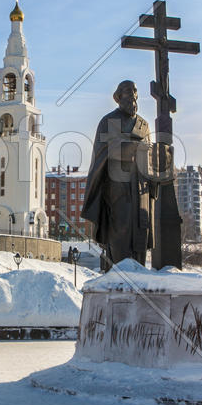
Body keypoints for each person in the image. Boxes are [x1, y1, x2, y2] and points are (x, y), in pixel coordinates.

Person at [81, 80, 159, 272]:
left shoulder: (143, 124)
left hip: (141, 189)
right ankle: (118, 276)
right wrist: (133, 147)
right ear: (118, 97)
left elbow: (151, 156)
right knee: (120, 233)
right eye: (126, 92)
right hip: (118, 188)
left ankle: (139, 276)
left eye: (134, 92)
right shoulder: (109, 121)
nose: (131, 95)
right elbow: (105, 150)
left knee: (140, 232)